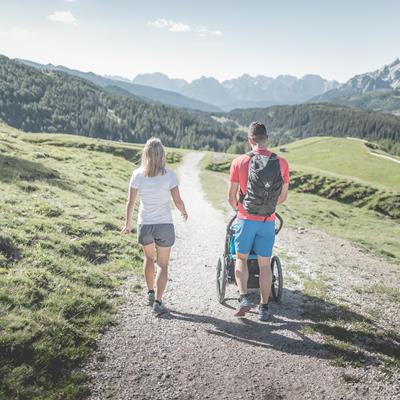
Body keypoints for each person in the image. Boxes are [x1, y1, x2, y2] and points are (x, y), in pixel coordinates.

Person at [228, 122, 289, 321]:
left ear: (250, 140)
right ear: (266, 139)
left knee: (241, 258)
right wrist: (268, 208)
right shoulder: (281, 163)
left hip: (246, 219)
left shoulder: (239, 162)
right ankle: (264, 307)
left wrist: (241, 210)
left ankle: (244, 298)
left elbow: (231, 196)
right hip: (267, 220)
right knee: (265, 265)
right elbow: (282, 197)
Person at [121, 138, 188, 316]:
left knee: (149, 259)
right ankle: (158, 302)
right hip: (164, 225)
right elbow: (177, 200)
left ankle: (150, 292)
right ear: (162, 155)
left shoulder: (137, 174)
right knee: (163, 264)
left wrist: (127, 224)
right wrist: (183, 212)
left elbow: (131, 202)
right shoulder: (169, 175)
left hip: (145, 224)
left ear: (146, 154)